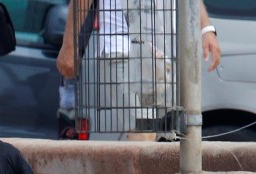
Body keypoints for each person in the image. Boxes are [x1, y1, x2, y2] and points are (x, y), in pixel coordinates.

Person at [56, 0, 220, 138]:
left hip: (159, 53)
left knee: (156, 135)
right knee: (143, 131)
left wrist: (206, 29)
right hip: (120, 50)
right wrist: (69, 47)